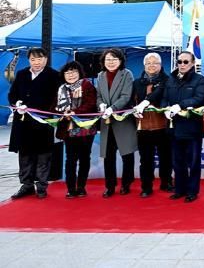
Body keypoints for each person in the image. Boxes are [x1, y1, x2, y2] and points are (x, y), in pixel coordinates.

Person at [8, 47, 61, 199]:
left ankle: (42, 186)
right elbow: (12, 94)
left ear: (46, 59)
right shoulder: (22, 74)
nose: (36, 62)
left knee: (43, 155)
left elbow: (57, 99)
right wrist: (17, 103)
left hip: (42, 122)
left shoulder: (54, 75)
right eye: (33, 59)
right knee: (25, 154)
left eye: (39, 59)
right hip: (23, 121)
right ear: (29, 60)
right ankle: (27, 185)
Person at [162, 50, 204, 203]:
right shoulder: (170, 79)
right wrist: (165, 108)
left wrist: (180, 105)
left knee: (193, 162)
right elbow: (164, 97)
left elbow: (199, 98)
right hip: (174, 127)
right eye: (179, 61)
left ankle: (192, 191)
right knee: (177, 161)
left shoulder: (200, 80)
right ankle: (179, 189)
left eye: (186, 62)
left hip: (192, 128)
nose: (182, 64)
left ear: (192, 63)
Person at [131, 52, 172, 198]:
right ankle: (146, 186)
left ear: (161, 65)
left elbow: (161, 95)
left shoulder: (168, 80)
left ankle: (166, 182)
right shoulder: (137, 83)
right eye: (148, 63)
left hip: (162, 125)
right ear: (144, 66)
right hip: (143, 126)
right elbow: (132, 101)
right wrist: (134, 109)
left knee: (166, 157)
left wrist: (146, 103)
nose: (151, 65)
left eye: (155, 63)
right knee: (145, 159)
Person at [96, 48, 136, 198]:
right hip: (107, 122)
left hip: (122, 120)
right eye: (108, 59)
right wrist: (101, 105)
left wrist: (112, 108)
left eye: (114, 59)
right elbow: (98, 96)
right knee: (108, 156)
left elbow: (126, 96)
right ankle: (110, 186)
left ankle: (126, 183)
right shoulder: (100, 76)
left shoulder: (127, 74)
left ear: (120, 61)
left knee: (127, 154)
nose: (111, 62)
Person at [55, 61, 98, 198]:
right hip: (68, 128)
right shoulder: (61, 88)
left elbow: (91, 104)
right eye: (67, 72)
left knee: (85, 157)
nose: (71, 75)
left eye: (74, 72)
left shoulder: (87, 85)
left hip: (86, 127)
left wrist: (75, 112)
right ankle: (70, 188)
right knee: (70, 159)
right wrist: (62, 112)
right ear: (63, 75)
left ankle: (81, 186)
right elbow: (54, 106)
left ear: (79, 73)